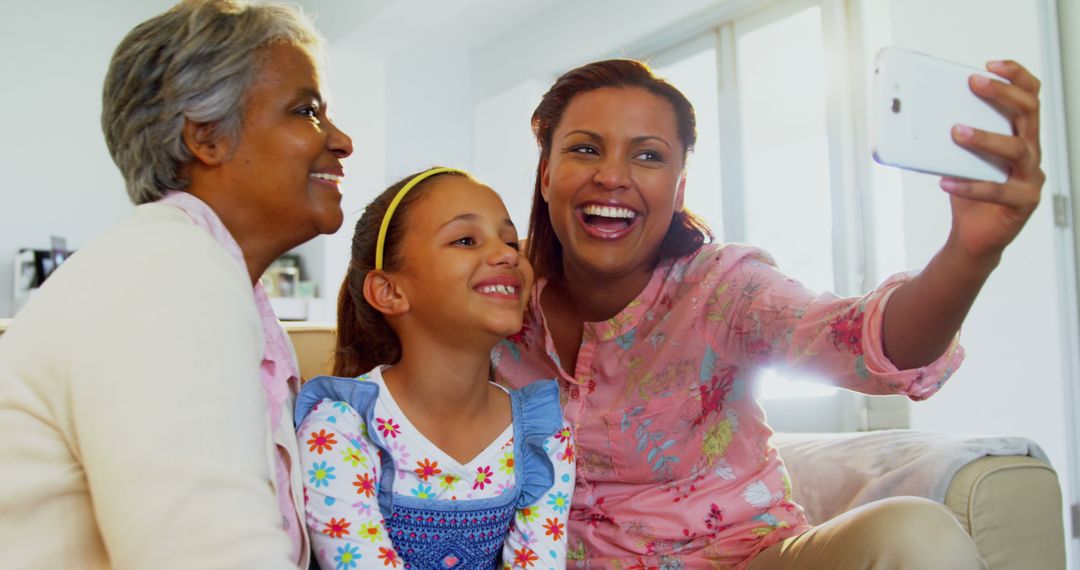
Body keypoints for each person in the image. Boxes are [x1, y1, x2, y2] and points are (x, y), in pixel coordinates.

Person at [492, 58, 1043, 568]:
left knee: (916, 532)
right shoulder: (494, 305)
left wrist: (970, 255)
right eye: (585, 149)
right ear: (545, 176)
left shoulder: (724, 289)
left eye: (648, 154)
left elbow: (861, 340)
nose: (611, 175)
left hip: (744, 559)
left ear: (679, 189)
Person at [0, 1, 352, 567]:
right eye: (305, 110)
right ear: (206, 137)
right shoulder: (170, 272)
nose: (340, 140)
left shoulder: (208, 276)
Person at [295, 167, 576, 569]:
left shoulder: (543, 436)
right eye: (465, 240)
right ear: (389, 291)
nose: (509, 254)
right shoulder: (340, 429)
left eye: (511, 240)